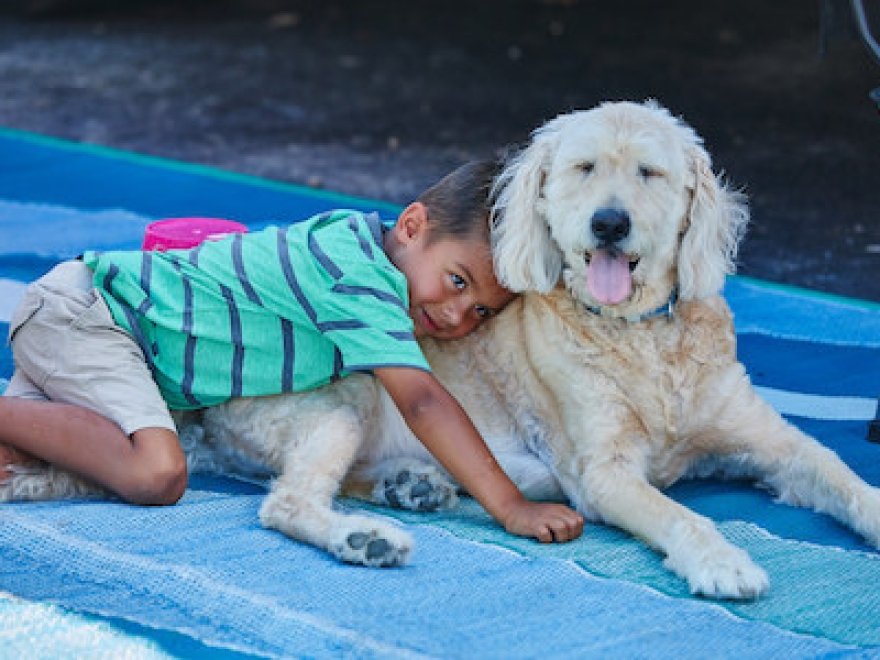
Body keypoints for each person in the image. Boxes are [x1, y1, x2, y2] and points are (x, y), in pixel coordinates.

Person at [0, 161, 584, 543]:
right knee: (156, 470)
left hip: (109, 342)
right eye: (458, 282)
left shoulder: (370, 260)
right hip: (96, 317)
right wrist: (510, 506)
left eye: (482, 310)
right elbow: (423, 403)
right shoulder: (359, 275)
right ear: (411, 226)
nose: (458, 315)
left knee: (16, 467)